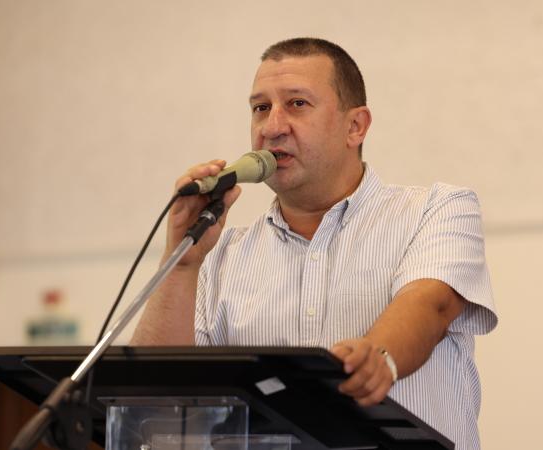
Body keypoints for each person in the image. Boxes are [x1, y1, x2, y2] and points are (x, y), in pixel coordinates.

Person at [132, 37, 497, 449]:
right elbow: (152, 400)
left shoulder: (436, 209)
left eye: (297, 104)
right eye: (260, 108)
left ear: (355, 127)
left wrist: (379, 358)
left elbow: (431, 305)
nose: (272, 127)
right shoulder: (220, 255)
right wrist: (181, 263)